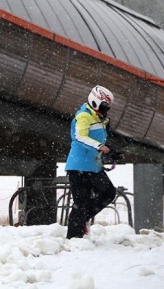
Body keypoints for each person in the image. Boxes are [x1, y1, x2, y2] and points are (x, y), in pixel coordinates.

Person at [65, 85, 117, 239]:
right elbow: (80, 137)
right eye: (104, 106)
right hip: (78, 166)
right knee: (81, 202)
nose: (106, 109)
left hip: (94, 166)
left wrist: (110, 150)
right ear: (95, 102)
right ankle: (74, 238)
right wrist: (100, 146)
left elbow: (100, 140)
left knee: (109, 193)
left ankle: (81, 217)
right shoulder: (84, 116)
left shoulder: (100, 118)